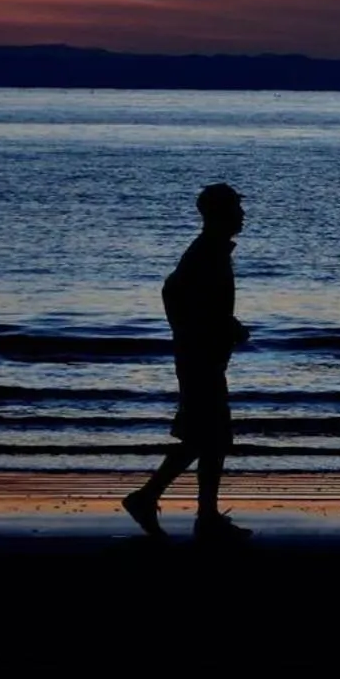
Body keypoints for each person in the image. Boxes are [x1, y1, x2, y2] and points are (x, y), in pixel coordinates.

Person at [122, 183, 252, 539]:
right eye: (236, 209)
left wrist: (225, 327)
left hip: (203, 355)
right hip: (201, 358)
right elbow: (177, 293)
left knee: (207, 438)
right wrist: (204, 331)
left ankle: (187, 508)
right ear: (219, 214)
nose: (242, 215)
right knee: (209, 437)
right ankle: (167, 503)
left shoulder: (212, 251)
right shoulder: (206, 252)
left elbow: (184, 296)